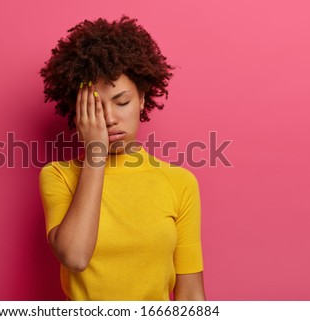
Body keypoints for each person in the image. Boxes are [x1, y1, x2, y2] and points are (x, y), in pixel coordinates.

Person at [39, 15, 205, 301]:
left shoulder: (180, 183)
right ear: (78, 112)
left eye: (122, 102)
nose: (110, 118)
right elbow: (76, 257)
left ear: (142, 99)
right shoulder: (58, 176)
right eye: (95, 107)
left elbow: (191, 294)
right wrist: (95, 154)